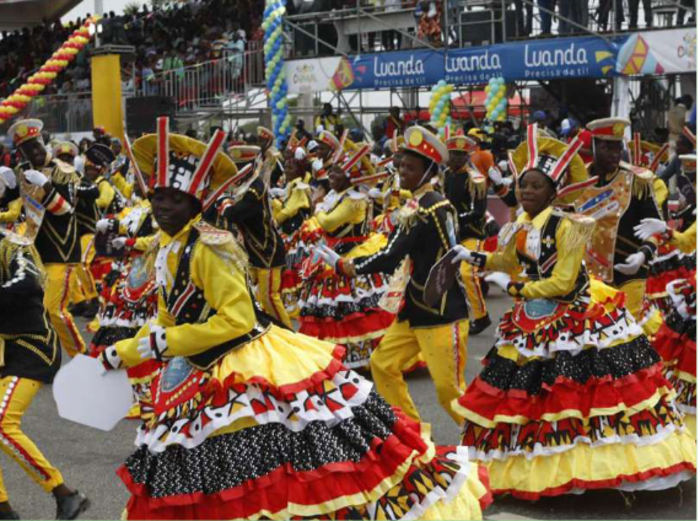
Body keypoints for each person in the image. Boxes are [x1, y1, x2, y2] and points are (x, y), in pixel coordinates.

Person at [99, 120, 492, 520]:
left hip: (248, 356)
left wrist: (155, 344)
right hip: (199, 364)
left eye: (174, 198)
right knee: (210, 469)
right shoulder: (171, 245)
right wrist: (130, 348)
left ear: (196, 202)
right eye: (157, 196)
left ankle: (482, 442)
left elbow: (235, 321)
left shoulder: (211, 248)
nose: (161, 205)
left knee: (273, 463)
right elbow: (170, 312)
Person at [451, 126, 697, 499]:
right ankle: (541, 468)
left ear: (554, 191)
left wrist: (513, 286)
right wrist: (476, 257)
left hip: (576, 318)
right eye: (523, 186)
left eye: (535, 186)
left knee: (579, 397)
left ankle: (593, 471)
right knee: (530, 397)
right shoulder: (520, 225)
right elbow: (507, 258)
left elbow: (563, 283)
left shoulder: (570, 225)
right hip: (533, 319)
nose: (526, 192)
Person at [327, 127, 471, 424]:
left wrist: (349, 266)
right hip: (415, 309)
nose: (402, 170)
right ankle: (412, 432)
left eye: (410, 167)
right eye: (402, 164)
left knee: (450, 391)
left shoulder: (429, 207)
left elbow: (392, 255)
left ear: (428, 171)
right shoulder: (421, 204)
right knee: (382, 364)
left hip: (442, 313)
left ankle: (484, 450)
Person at [0, 198, 90, 520]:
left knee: (2, 423)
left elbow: (27, 281)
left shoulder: (13, 245)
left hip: (32, 348)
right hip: (5, 353)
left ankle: (64, 493)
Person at [574, 118, 665, 327]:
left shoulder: (636, 181)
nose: (615, 153)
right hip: (589, 276)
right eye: (607, 147)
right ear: (594, 146)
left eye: (618, 147)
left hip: (629, 273)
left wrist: (643, 255)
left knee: (630, 334)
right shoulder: (576, 181)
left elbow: (657, 226)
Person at [8, 119, 86, 358]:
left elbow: (65, 208)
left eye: (36, 146)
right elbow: (22, 207)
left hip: (62, 252)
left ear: (44, 143)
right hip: (37, 251)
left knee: (55, 311)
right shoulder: (23, 170)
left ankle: (82, 357)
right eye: (26, 149)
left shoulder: (65, 171)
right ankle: (47, 359)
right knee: (37, 312)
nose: (34, 153)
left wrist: (46, 185)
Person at [216, 144, 292, 328]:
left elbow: (234, 214)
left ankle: (288, 334)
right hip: (253, 251)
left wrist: (224, 201)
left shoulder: (254, 189)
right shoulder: (245, 185)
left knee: (269, 297)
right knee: (246, 290)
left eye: (237, 167)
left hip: (267, 251)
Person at [443, 132, 490, 334]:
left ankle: (482, 317)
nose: (456, 158)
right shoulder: (445, 175)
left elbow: (478, 212)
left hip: (471, 234)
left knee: (467, 273)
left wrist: (454, 218)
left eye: (461, 155)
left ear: (467, 156)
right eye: (453, 154)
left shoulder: (476, 179)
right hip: (450, 234)